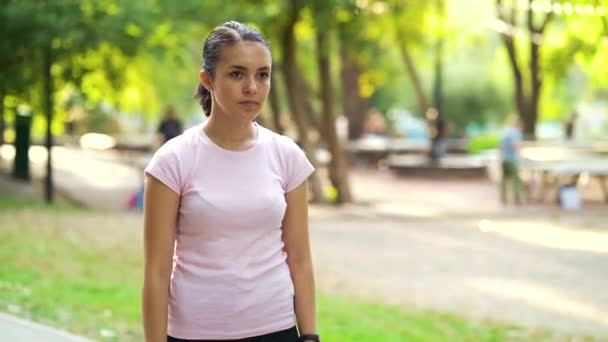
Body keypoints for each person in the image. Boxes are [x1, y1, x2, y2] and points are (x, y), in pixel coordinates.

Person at [142, 21, 319, 342]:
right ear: (207, 80)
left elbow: (301, 259)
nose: (251, 87)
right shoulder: (173, 160)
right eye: (237, 74)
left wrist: (309, 336)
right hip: (195, 332)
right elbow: (156, 273)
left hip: (275, 329)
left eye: (262, 74)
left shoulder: (287, 156)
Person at [499, 117, 524, 205]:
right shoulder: (515, 133)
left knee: (504, 180)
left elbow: (499, 146)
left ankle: (503, 199)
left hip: (504, 159)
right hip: (512, 159)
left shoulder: (505, 132)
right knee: (515, 179)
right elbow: (515, 146)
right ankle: (517, 199)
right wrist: (520, 152)